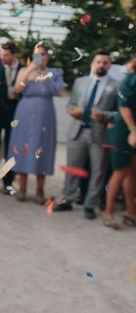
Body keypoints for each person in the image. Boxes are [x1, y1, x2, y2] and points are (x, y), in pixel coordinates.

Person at [53, 50, 118, 219]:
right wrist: (72, 112)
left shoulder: (116, 86)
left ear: (109, 65)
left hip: (100, 133)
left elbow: (119, 113)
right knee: (72, 168)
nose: (101, 65)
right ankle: (68, 199)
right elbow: (70, 104)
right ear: (92, 64)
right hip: (78, 130)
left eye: (105, 62)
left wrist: (105, 115)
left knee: (98, 171)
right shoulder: (80, 82)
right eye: (99, 62)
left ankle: (90, 205)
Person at [7, 42, 64, 203]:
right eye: (37, 54)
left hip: (45, 114)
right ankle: (22, 188)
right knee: (22, 147)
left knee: (42, 148)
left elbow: (58, 91)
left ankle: (40, 190)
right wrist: (31, 69)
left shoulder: (55, 72)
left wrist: (44, 76)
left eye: (43, 54)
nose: (40, 57)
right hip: (25, 112)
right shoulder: (25, 70)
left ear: (48, 56)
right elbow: (18, 89)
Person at [102, 55, 136, 228]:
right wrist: (133, 130)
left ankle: (130, 212)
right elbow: (124, 106)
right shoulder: (130, 80)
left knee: (133, 172)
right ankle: (108, 213)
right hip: (124, 130)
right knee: (120, 171)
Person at [0, 42, 24, 192]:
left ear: (14, 55)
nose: (2, 57)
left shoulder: (24, 69)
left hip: (16, 116)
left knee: (12, 149)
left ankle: (8, 181)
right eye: (1, 54)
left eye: (6, 55)